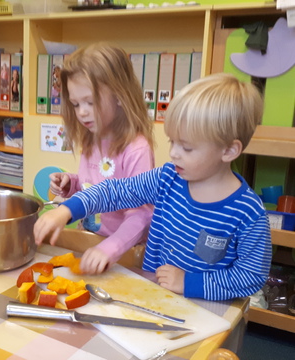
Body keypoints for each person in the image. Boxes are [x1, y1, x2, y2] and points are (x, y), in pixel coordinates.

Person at [35, 73, 272, 301]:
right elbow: (114, 191)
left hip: (207, 309)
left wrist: (188, 283)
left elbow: (251, 277)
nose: (173, 153)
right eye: (172, 142)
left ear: (229, 150)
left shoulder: (248, 212)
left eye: (187, 148)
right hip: (154, 296)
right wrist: (68, 209)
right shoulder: (168, 177)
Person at [47, 43, 155, 275]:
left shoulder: (137, 149)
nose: (82, 112)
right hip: (90, 244)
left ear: (119, 96)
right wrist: (71, 183)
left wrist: (110, 248)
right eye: (76, 104)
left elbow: (142, 214)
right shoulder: (91, 138)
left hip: (122, 252)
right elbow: (94, 185)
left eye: (90, 102)